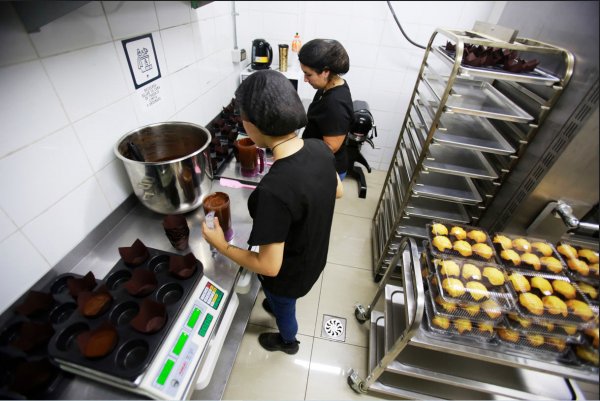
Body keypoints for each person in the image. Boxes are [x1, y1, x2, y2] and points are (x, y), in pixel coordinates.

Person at [202, 70, 343, 355]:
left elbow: (269, 267)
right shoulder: (319, 148)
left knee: (284, 309)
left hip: (288, 276)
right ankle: (278, 303)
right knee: (280, 300)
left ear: (252, 127)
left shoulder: (273, 191)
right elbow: (338, 191)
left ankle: (289, 341)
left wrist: (222, 245)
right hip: (313, 256)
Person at [298, 39, 353, 180]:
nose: (305, 79)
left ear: (326, 72)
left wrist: (295, 150)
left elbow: (331, 147)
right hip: (316, 162)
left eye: (308, 74)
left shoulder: (335, 104)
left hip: (327, 170)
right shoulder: (328, 87)